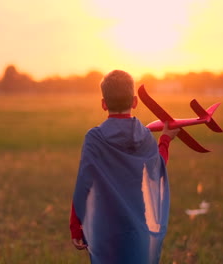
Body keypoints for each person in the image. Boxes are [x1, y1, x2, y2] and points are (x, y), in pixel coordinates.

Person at [69, 70, 180, 264]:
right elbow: (155, 172)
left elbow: (84, 183)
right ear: (135, 102)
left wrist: (76, 226)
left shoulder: (93, 138)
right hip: (138, 225)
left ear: (103, 104)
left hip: (104, 228)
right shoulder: (145, 136)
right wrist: (165, 140)